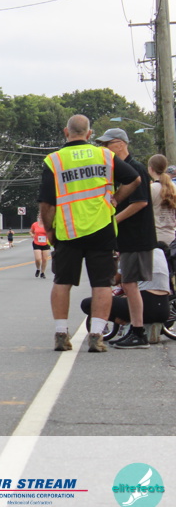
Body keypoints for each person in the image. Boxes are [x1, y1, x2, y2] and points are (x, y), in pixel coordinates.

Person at [39, 115, 139, 352]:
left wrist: (49, 229)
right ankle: (96, 336)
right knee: (102, 284)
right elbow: (133, 179)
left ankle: (61, 334)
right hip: (101, 228)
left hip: (68, 230)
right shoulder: (104, 155)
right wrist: (115, 199)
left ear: (66, 132)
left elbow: (46, 203)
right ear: (90, 134)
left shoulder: (54, 160)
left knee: (62, 282)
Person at [95, 127, 157, 349]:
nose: (104, 148)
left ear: (120, 144)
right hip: (128, 238)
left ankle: (138, 332)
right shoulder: (119, 170)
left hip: (137, 236)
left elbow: (140, 202)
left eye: (107, 144)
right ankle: (135, 330)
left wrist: (114, 221)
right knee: (129, 283)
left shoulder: (135, 168)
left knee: (130, 283)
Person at [80, 242, 172, 344]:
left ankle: (123, 321)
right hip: (164, 310)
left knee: (87, 303)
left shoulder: (130, 252)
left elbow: (114, 280)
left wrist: (114, 261)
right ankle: (145, 327)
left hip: (144, 308)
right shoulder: (159, 253)